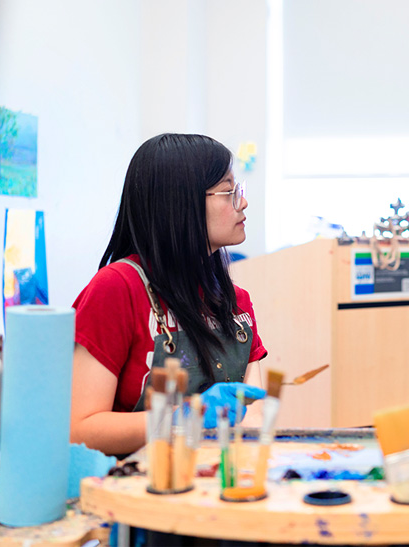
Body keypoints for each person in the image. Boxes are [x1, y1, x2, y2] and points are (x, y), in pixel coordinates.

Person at [70, 133, 267, 457]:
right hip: (133, 491)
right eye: (229, 191)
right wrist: (179, 418)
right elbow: (80, 430)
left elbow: (253, 414)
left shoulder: (236, 302)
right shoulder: (117, 290)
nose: (242, 202)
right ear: (180, 202)